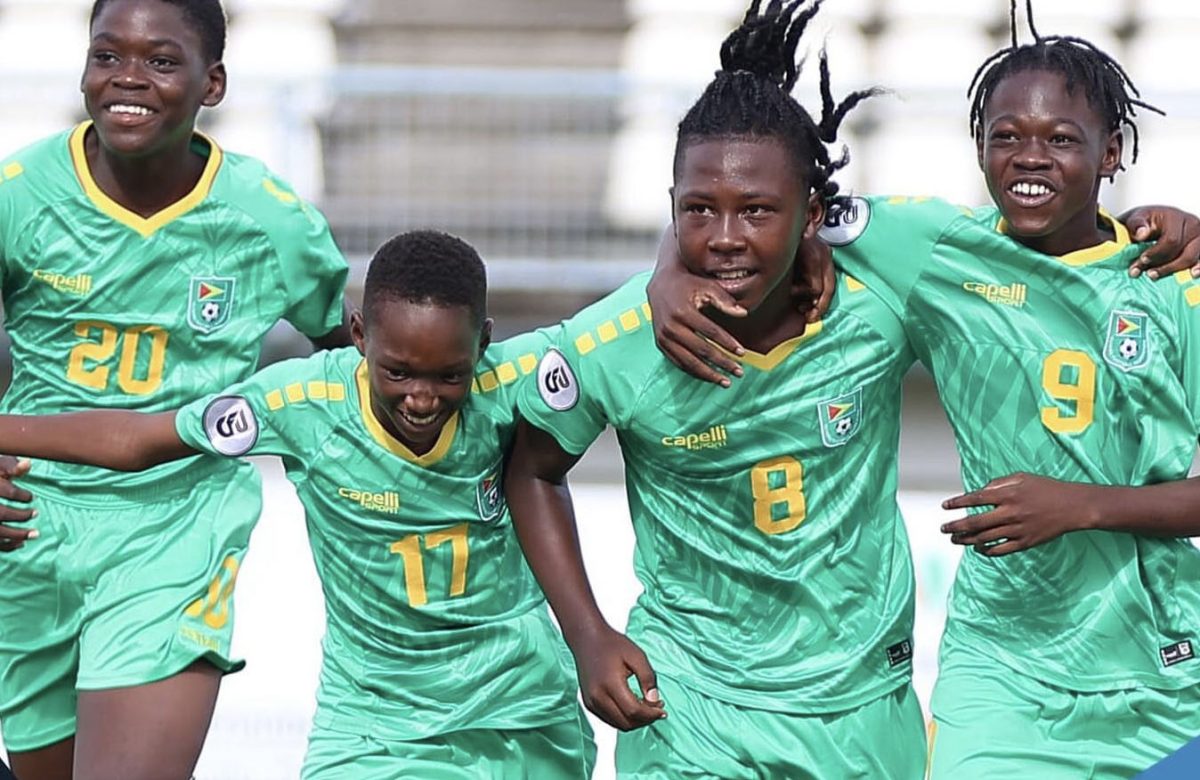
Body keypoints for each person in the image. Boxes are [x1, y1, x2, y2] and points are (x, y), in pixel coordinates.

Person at [652, 1, 1200, 776]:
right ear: (978, 148)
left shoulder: (1175, 285)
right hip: (1003, 671)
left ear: (1112, 153)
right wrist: (666, 274)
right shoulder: (932, 249)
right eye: (1005, 136)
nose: (1030, 158)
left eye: (1061, 140)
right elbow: (750, 206)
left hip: (1163, 671)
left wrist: (1085, 507)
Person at [0, 230, 596, 779]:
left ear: (485, 344)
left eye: (449, 377)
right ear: (359, 335)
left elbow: (625, 328)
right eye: (398, 372)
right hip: (375, 726)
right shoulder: (301, 402)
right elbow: (139, 440)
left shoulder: (515, 380)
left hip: (520, 713)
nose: (421, 398)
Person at [506, 1, 927, 777]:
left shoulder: (883, 304)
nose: (726, 236)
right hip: (690, 703)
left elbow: (1024, 258)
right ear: (671, 210)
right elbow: (531, 469)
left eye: (758, 212)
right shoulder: (618, 342)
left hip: (860, 707)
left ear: (813, 215)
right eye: (699, 212)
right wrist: (588, 634)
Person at [0, 1, 351, 777]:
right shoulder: (18, 195)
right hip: (27, 526)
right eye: (106, 56)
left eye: (161, 61)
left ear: (212, 82)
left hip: (178, 527)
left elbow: (353, 351)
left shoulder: (268, 218)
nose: (128, 79)